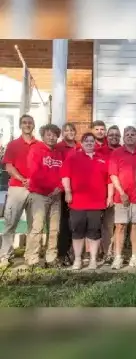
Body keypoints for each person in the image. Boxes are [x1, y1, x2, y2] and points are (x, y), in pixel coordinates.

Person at [61, 132, 113, 270]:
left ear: (95, 143)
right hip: (77, 202)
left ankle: (93, 260)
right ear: (82, 143)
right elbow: (65, 176)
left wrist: (110, 196)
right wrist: (67, 192)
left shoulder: (102, 159)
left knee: (94, 232)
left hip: (97, 203)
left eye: (92, 141)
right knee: (77, 231)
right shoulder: (73, 158)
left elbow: (109, 180)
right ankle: (78, 259)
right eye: (86, 141)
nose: (89, 143)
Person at [24, 124, 65, 268]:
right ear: (43, 136)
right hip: (39, 195)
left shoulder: (59, 154)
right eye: (49, 134)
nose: (52, 137)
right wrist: (50, 188)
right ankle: (32, 258)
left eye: (54, 135)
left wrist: (59, 188)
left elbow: (65, 174)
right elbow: (34, 173)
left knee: (54, 229)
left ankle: (51, 257)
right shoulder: (36, 150)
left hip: (56, 196)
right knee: (37, 227)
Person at [0, 114, 37, 268]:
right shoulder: (13, 145)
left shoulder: (39, 145)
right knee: (10, 223)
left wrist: (33, 181)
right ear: (20, 125)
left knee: (34, 225)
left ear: (33, 125)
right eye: (24, 122)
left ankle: (31, 257)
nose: (27, 125)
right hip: (17, 188)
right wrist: (23, 179)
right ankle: (5, 256)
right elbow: (8, 166)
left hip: (35, 189)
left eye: (30, 122)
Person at [108, 126, 136, 270]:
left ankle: (135, 257)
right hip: (121, 197)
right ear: (123, 138)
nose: (130, 136)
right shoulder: (117, 153)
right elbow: (113, 174)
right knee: (120, 227)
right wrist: (121, 192)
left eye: (132, 134)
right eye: (127, 134)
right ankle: (118, 257)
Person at [55, 122, 80, 265]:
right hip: (63, 190)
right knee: (64, 223)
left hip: (78, 191)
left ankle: (73, 253)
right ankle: (62, 253)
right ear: (63, 133)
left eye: (72, 130)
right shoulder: (58, 147)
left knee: (75, 223)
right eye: (66, 130)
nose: (69, 132)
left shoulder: (80, 147)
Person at [99, 124, 121, 261]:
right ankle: (106, 252)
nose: (114, 137)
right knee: (105, 226)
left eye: (116, 135)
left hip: (118, 194)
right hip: (102, 193)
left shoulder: (123, 150)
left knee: (117, 225)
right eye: (111, 134)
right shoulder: (100, 151)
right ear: (107, 136)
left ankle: (116, 252)